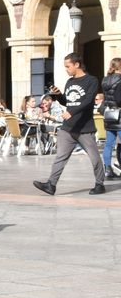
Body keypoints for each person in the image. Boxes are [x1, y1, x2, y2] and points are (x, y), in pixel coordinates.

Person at [34, 53, 104, 195]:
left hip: (84, 128)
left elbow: (88, 101)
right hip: (68, 128)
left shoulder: (91, 80)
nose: (66, 69)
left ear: (77, 65)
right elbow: (68, 102)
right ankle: (51, 185)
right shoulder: (70, 82)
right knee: (60, 157)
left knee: (94, 157)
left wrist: (72, 112)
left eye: (68, 66)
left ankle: (99, 184)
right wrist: (59, 95)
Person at [97, 90, 121, 179]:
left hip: (110, 121)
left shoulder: (106, 88)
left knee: (108, 144)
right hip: (119, 121)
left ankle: (108, 170)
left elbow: (101, 108)